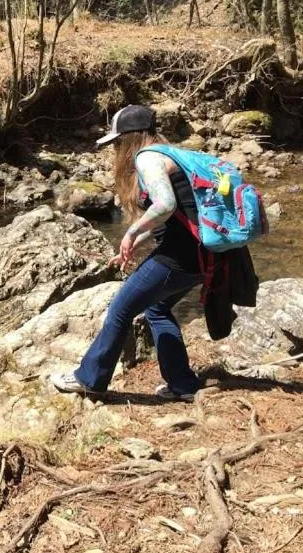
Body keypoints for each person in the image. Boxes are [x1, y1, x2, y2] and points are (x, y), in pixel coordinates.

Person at [51, 105, 203, 401]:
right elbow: (177, 217)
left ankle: (90, 379)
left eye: (117, 142)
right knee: (157, 309)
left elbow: (166, 205)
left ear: (130, 138)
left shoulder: (148, 158)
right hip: (203, 254)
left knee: (121, 309)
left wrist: (131, 232)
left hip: (179, 257)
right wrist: (137, 241)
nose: (116, 150)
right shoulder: (172, 154)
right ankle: (183, 385)